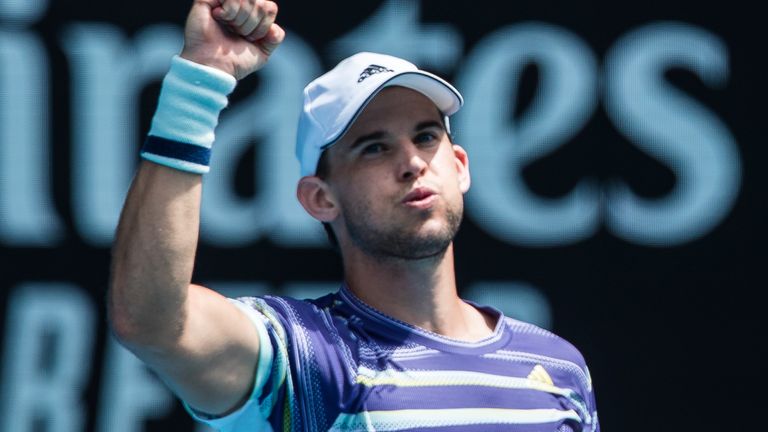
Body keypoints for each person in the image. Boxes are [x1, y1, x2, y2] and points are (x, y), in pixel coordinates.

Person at [109, 1, 600, 431]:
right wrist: (201, 76)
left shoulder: (558, 368)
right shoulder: (300, 355)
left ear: (460, 166)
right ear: (320, 199)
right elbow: (151, 322)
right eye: (374, 148)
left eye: (426, 136)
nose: (411, 162)